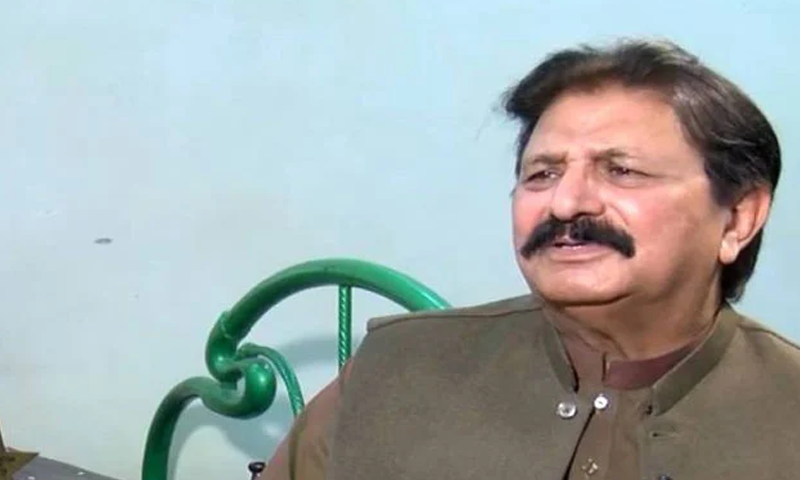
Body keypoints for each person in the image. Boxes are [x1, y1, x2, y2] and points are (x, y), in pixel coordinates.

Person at [263, 38, 800, 480]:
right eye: (542, 174)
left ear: (737, 218)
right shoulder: (395, 371)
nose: (566, 203)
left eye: (621, 171)